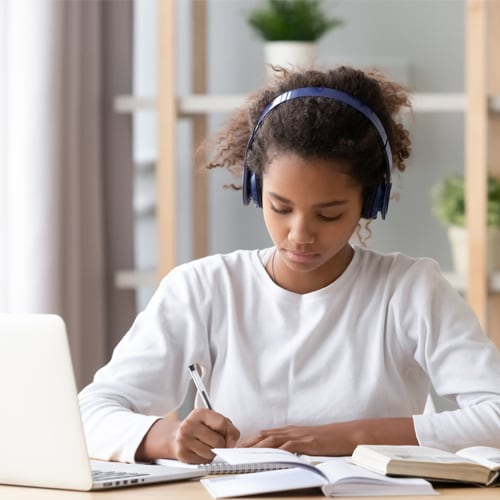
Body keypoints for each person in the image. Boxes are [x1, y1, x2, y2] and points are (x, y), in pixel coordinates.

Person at [79, 66, 500, 466]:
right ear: (255, 187)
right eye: (280, 207)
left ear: (371, 202)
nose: (300, 234)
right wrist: (168, 438)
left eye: (329, 214)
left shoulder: (410, 289)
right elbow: (89, 413)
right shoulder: (203, 287)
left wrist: (347, 437)